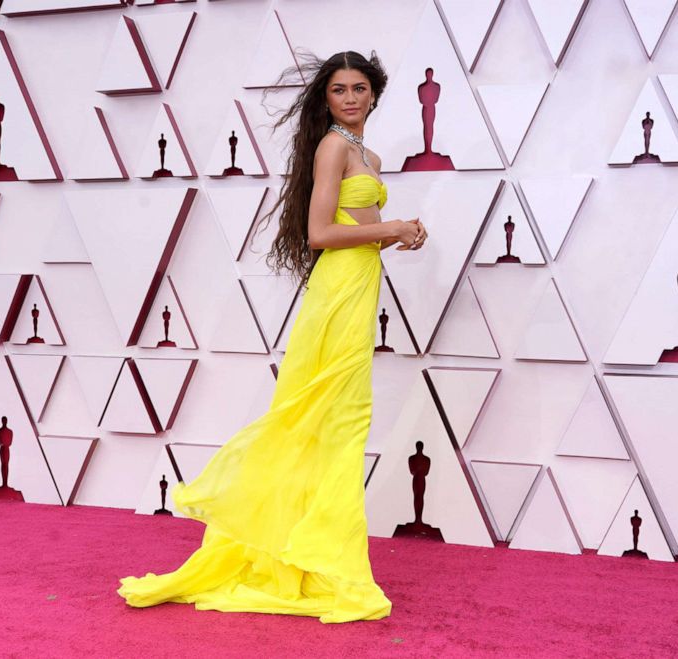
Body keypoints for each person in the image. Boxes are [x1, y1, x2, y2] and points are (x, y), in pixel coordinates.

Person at [116, 50, 425, 624]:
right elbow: (318, 233)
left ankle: (315, 561)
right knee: (328, 421)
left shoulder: (369, 153)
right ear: (326, 99)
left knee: (338, 425)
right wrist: (392, 225)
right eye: (339, 90)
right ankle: (318, 565)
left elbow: (356, 234)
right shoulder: (333, 147)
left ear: (376, 95)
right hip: (336, 296)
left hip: (359, 288)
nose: (351, 98)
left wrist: (399, 235)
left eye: (360, 88)